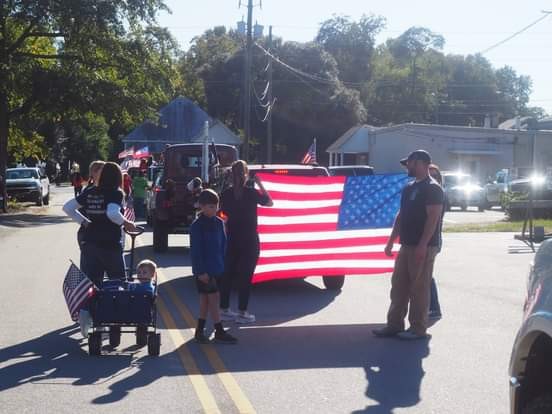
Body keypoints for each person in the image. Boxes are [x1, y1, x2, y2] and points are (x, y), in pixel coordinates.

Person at [373, 150, 444, 340]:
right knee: (399, 286)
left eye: (409, 163)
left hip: (423, 246)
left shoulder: (433, 188)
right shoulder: (409, 187)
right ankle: (394, 325)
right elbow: (401, 215)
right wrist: (390, 241)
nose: (407, 167)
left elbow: (433, 218)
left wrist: (423, 244)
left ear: (421, 163)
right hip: (406, 244)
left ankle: (417, 328)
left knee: (419, 288)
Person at [63, 162, 137, 336]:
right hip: (110, 245)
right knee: (117, 282)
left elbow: (68, 208)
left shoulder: (90, 192)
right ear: (118, 177)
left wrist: (84, 221)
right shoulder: (116, 193)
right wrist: (127, 223)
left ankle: (87, 316)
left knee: (92, 283)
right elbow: (112, 213)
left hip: (89, 244)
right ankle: (114, 320)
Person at [219, 160, 273, 324]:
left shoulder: (226, 194)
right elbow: (269, 202)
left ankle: (224, 309)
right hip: (249, 238)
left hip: (232, 237)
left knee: (227, 274)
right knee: (245, 276)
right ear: (246, 174)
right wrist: (260, 184)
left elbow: (222, 214)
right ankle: (242, 312)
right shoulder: (251, 193)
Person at [190, 189, 237, 344]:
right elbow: (196, 250)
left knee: (205, 300)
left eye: (215, 206)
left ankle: (199, 330)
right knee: (214, 299)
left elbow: (223, 244)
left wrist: (222, 264)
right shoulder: (197, 226)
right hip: (204, 270)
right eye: (209, 206)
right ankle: (219, 330)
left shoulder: (219, 223)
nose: (213, 209)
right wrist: (200, 271)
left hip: (217, 268)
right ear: (201, 207)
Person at [428, 163, 445, 320]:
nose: (433, 178)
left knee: (426, 275)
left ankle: (434, 307)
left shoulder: (438, 193)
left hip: (433, 240)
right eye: (430, 175)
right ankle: (430, 306)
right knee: (424, 274)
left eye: (435, 175)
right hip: (427, 240)